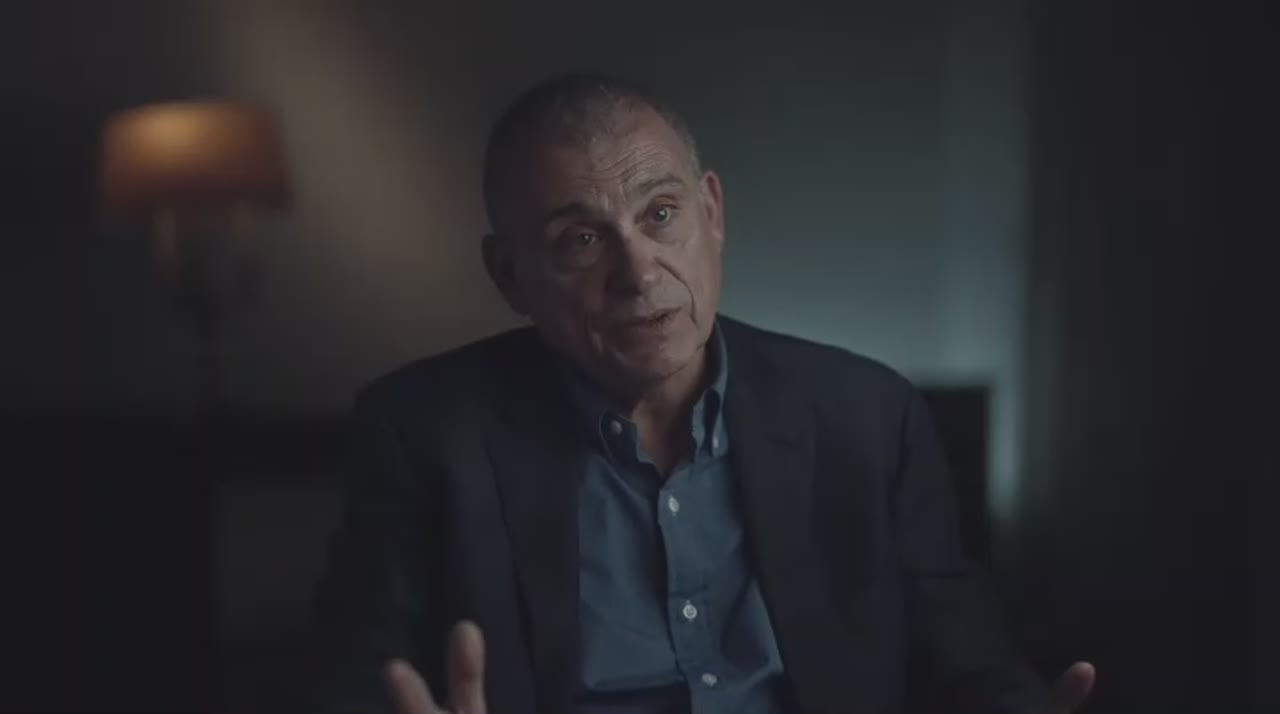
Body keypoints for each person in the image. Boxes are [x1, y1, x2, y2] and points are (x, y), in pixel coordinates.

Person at [307, 72, 1096, 714]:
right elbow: (358, 685)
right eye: (581, 240)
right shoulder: (423, 433)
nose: (638, 271)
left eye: (661, 214)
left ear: (712, 213)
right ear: (509, 274)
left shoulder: (867, 416)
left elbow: (969, 665)